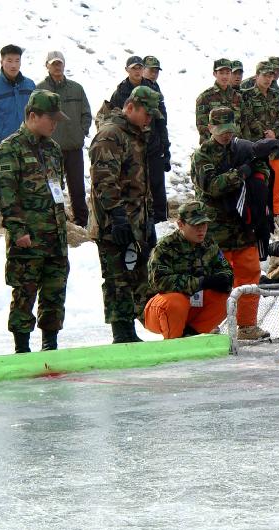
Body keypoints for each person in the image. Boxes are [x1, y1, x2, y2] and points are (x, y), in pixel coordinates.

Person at [0, 90, 70, 353]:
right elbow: (6, 195)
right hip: (28, 240)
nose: (55, 124)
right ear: (33, 116)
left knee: (54, 294)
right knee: (24, 295)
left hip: (54, 237)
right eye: (51, 118)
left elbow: (57, 188)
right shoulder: (9, 150)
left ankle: (50, 343)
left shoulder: (53, 149)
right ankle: (22, 348)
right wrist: (18, 230)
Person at [89, 85, 162, 343]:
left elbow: (140, 183)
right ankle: (122, 332)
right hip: (114, 223)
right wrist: (117, 216)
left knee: (139, 276)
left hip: (137, 221)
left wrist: (149, 217)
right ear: (130, 107)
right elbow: (104, 181)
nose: (149, 120)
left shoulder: (135, 135)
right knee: (117, 279)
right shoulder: (111, 135)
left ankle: (141, 326)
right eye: (147, 113)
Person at [190, 107, 271, 341]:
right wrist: (241, 174)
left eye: (230, 130)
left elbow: (262, 168)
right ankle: (207, 324)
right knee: (216, 278)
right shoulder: (203, 155)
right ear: (210, 129)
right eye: (221, 130)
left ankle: (246, 326)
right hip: (215, 228)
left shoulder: (243, 148)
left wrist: (257, 178)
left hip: (243, 226)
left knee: (249, 274)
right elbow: (213, 186)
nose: (226, 135)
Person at [145, 201, 233, 339]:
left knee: (226, 299)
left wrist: (223, 279)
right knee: (176, 302)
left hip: (194, 308)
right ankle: (173, 343)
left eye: (204, 224)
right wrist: (200, 283)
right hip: (161, 310)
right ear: (180, 224)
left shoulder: (209, 244)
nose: (201, 229)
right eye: (195, 225)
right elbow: (158, 282)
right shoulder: (165, 247)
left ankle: (192, 335)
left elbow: (225, 269)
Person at [36, 50, 92, 227]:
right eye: (53, 63)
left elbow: (86, 113)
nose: (57, 66)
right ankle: (56, 220)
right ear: (47, 66)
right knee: (53, 186)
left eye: (59, 63)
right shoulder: (40, 89)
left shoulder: (77, 88)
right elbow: (34, 116)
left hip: (74, 147)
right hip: (50, 149)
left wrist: (81, 132)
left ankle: (81, 221)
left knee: (77, 188)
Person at [242, 61, 279, 216]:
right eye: (265, 75)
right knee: (257, 182)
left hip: (274, 146)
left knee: (276, 181)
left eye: (271, 76)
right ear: (256, 76)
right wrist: (264, 134)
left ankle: (276, 213)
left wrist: (274, 132)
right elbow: (247, 117)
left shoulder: (276, 95)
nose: (268, 79)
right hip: (255, 147)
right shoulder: (246, 95)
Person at [0, 44, 36, 153]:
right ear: (1, 62)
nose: (13, 65)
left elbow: (37, 113)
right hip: (3, 147)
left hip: (29, 145)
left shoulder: (30, 85)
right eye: (9, 61)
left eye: (17, 60)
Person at [141, 55, 172, 222]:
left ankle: (160, 218)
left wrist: (165, 148)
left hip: (157, 142)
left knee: (158, 184)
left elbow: (161, 122)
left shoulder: (155, 87)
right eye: (151, 70)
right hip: (144, 145)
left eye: (156, 71)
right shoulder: (139, 89)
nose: (154, 73)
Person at [195, 58, 245, 144]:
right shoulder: (205, 97)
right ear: (214, 74)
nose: (225, 76)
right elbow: (202, 127)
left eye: (228, 73)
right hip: (214, 147)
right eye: (221, 73)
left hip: (235, 147)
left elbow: (244, 123)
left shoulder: (238, 97)